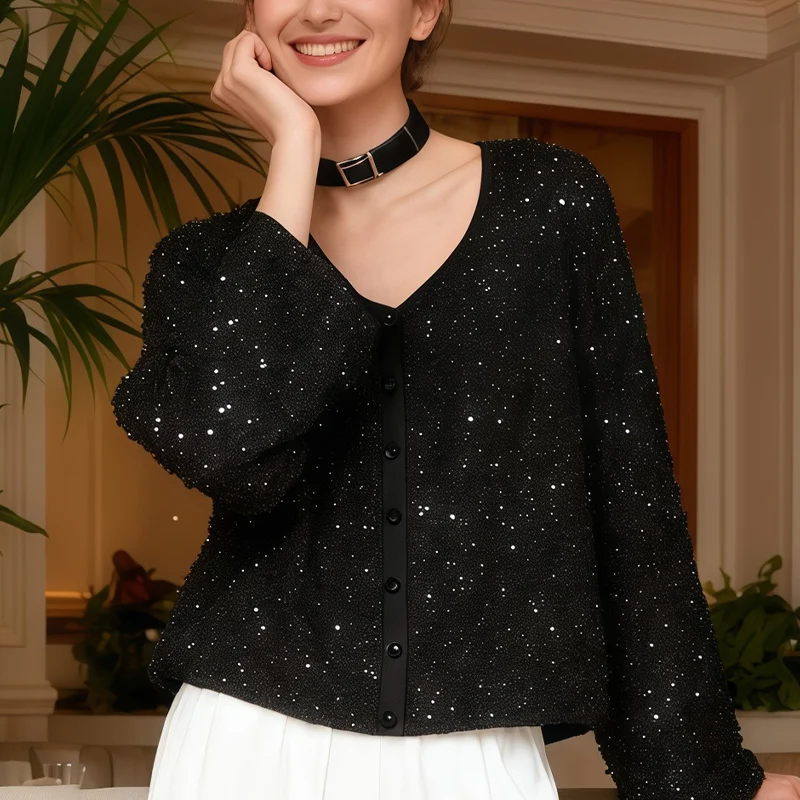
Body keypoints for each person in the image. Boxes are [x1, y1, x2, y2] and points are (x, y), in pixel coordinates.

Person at [110, 0, 798, 798]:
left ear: (425, 11)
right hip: (242, 743)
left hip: (475, 754)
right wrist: (293, 148)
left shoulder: (548, 203)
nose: (319, 8)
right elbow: (228, 451)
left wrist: (701, 778)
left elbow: (629, 501)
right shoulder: (207, 263)